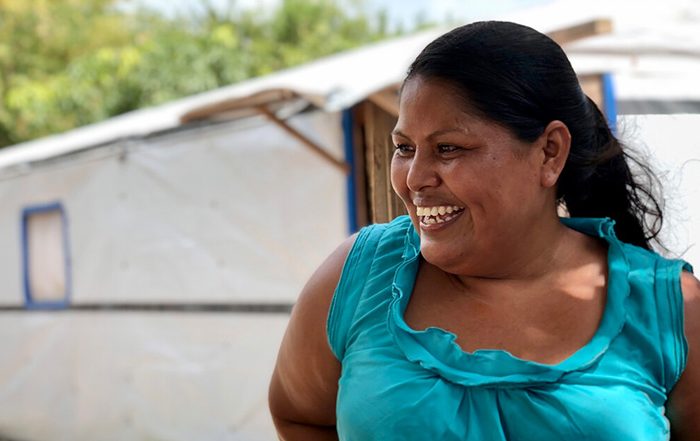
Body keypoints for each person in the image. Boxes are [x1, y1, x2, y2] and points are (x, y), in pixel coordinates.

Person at [268, 21, 700, 440]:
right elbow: (299, 416)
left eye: (448, 148)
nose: (415, 178)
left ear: (550, 152)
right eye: (405, 148)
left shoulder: (672, 309)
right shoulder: (360, 277)